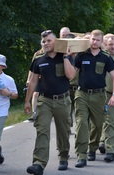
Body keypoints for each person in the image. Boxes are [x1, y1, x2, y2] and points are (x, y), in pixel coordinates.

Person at [24, 30, 76, 174]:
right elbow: (33, 81)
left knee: (63, 131)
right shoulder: (39, 59)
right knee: (42, 131)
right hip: (44, 101)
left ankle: (63, 156)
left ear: (56, 42)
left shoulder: (66, 57)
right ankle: (39, 164)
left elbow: (71, 76)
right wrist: (27, 101)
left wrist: (65, 57)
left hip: (62, 100)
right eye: (44, 41)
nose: (46, 43)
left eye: (49, 41)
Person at [74, 29, 114, 168]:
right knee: (82, 123)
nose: (94, 42)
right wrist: (67, 56)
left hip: (99, 95)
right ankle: (81, 155)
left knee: (98, 125)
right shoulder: (81, 56)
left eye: (98, 40)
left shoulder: (106, 57)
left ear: (101, 42)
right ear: (90, 39)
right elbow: (72, 73)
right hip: (82, 94)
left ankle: (92, 148)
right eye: (93, 39)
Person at [26, 42, 45, 122]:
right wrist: (28, 79)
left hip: (47, 78)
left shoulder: (53, 53)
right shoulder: (37, 54)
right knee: (35, 94)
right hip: (38, 78)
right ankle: (35, 113)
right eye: (43, 42)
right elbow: (32, 68)